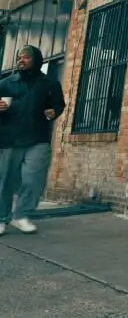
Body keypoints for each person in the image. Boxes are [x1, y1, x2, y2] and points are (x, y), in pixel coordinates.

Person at [0, 45, 66, 234]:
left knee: (33, 179)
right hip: (8, 139)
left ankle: (21, 216)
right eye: (19, 57)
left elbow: (58, 105)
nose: (21, 60)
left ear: (36, 60)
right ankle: (1, 218)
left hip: (38, 138)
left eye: (26, 57)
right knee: (5, 181)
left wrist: (53, 112)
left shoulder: (49, 84)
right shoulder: (6, 83)